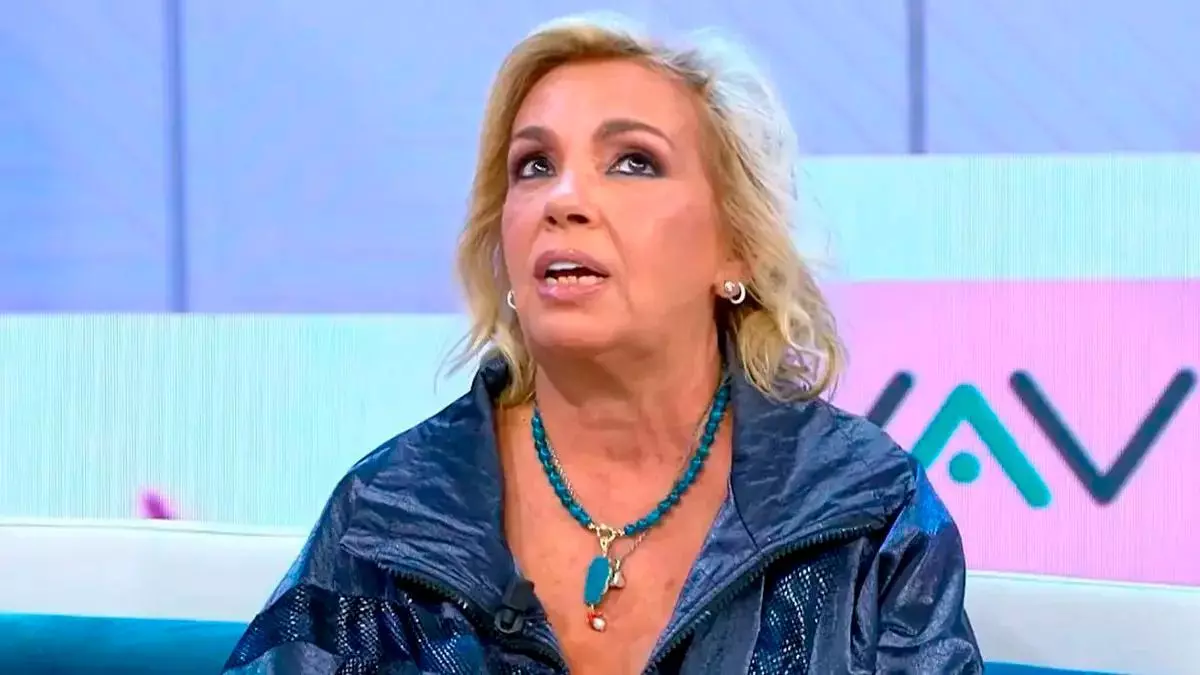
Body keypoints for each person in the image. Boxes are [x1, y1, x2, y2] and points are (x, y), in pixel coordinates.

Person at [223, 13, 983, 675]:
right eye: (534, 166)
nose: (563, 200)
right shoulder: (390, 513)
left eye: (632, 162)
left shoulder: (863, 512)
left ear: (736, 250)